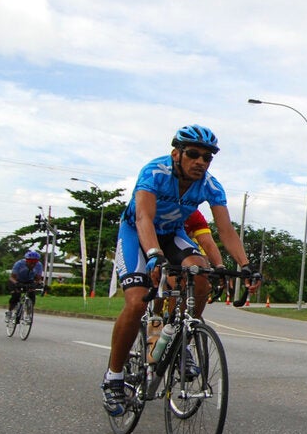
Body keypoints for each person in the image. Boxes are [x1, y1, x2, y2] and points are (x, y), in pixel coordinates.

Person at [101, 125, 258, 415]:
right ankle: (114, 376)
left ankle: (181, 336)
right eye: (194, 154)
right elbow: (144, 218)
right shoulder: (154, 172)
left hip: (172, 233)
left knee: (202, 278)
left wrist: (246, 266)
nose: (201, 161)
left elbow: (225, 230)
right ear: (177, 154)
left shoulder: (211, 185)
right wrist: (153, 256)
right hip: (137, 234)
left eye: (207, 157)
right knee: (137, 302)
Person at [6, 250, 45, 317]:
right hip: (17, 280)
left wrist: (37, 284)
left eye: (35, 262)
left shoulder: (39, 265)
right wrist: (17, 283)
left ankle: (28, 315)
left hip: (29, 280)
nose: (32, 264)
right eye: (30, 261)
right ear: (26, 260)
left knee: (32, 295)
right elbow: (12, 277)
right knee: (16, 295)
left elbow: (38, 278)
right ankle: (9, 311)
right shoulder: (19, 264)